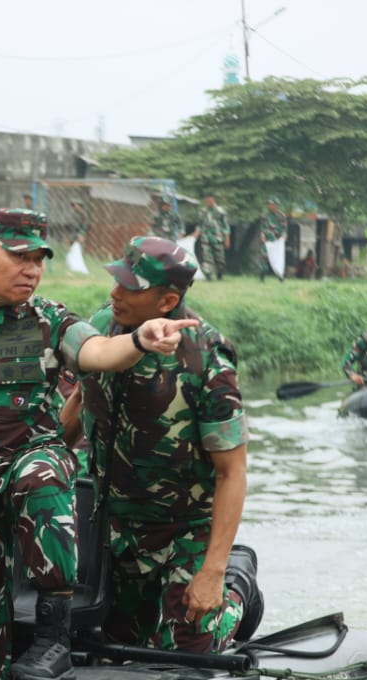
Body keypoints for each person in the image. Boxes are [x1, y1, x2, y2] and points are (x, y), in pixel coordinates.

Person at [0, 208, 196, 680]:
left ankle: (53, 634)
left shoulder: (48, 318)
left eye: (39, 259)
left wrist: (140, 339)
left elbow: (96, 351)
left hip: (20, 471)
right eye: (20, 258)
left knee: (45, 470)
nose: (32, 270)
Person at [63, 236, 260, 653]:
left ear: (167, 301)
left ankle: (238, 585)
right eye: (117, 281)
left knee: (186, 648)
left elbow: (232, 471)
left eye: (130, 288)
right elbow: (80, 399)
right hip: (113, 527)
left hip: (184, 530)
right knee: (109, 646)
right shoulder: (102, 329)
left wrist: (214, 570)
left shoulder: (207, 360)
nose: (115, 293)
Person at [198, 195, 230, 280]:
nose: (208, 202)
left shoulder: (220, 211)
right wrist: (195, 236)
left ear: (213, 200)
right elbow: (199, 225)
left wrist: (227, 238)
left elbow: (225, 226)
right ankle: (208, 276)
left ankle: (220, 275)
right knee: (207, 258)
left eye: (209, 200)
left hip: (218, 238)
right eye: (206, 201)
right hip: (206, 239)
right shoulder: (203, 212)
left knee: (220, 260)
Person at [258, 197, 288, 282]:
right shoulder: (265, 215)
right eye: (269, 204)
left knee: (278, 259)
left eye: (271, 204)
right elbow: (262, 228)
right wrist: (262, 234)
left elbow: (284, 228)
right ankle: (262, 276)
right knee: (263, 258)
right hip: (267, 240)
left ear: (276, 205)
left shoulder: (281, 216)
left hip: (277, 241)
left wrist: (284, 235)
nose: (269, 206)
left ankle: (280, 275)